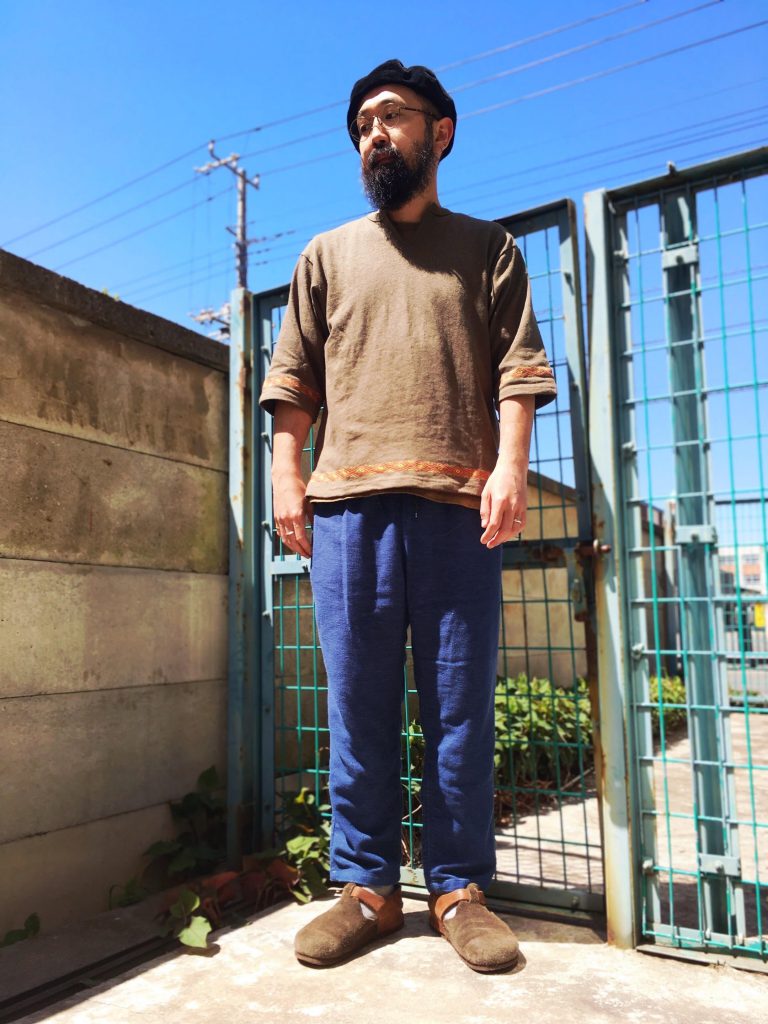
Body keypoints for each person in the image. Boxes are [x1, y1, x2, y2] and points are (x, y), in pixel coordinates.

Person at [259, 59, 556, 973]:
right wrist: (286, 474)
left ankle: (459, 890)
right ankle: (369, 890)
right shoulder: (325, 255)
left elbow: (518, 371)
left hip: (459, 509)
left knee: (460, 710)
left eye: (390, 117)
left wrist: (512, 468)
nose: (373, 136)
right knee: (359, 709)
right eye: (362, 126)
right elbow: (293, 381)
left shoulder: (489, 248)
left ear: (441, 131)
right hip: (347, 510)